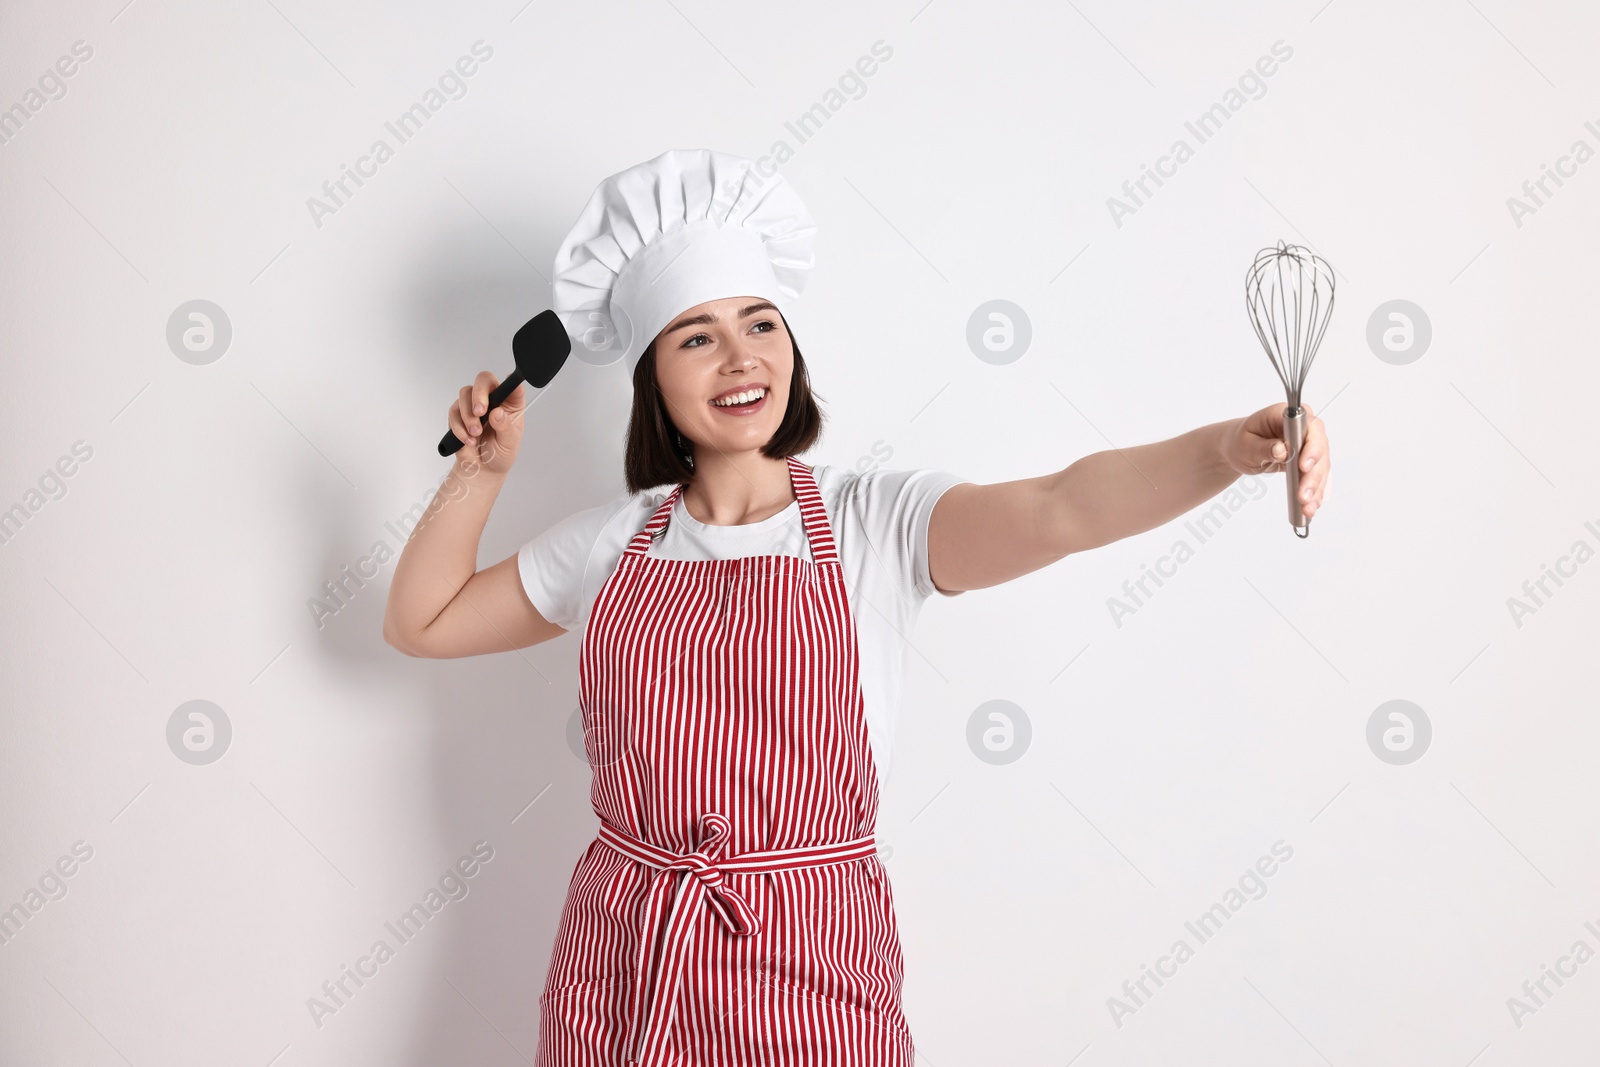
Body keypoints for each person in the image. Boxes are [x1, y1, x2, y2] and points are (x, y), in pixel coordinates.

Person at [382, 149, 1330, 1066]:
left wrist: (1225, 452)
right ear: (654, 381)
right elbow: (422, 622)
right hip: (625, 967)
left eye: (760, 324)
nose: (739, 358)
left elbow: (1062, 506)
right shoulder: (608, 544)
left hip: (815, 971)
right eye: (697, 336)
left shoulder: (876, 521)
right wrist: (481, 470)